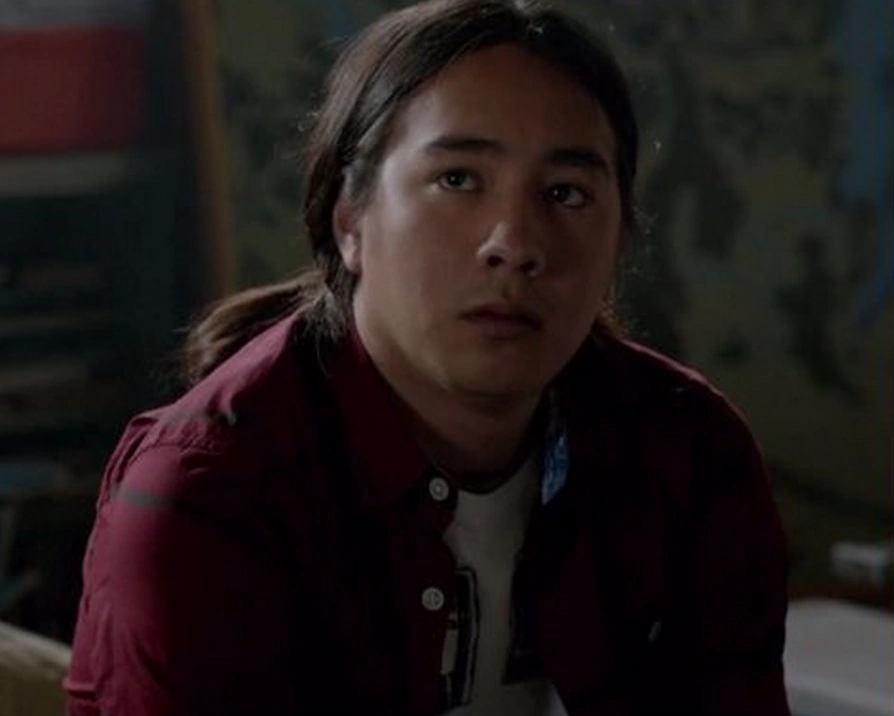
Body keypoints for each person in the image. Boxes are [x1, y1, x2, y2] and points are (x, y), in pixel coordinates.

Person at [65, 1, 790, 714]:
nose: (515, 243)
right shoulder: (212, 491)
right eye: (458, 179)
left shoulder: (688, 451)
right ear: (350, 221)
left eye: (567, 193)